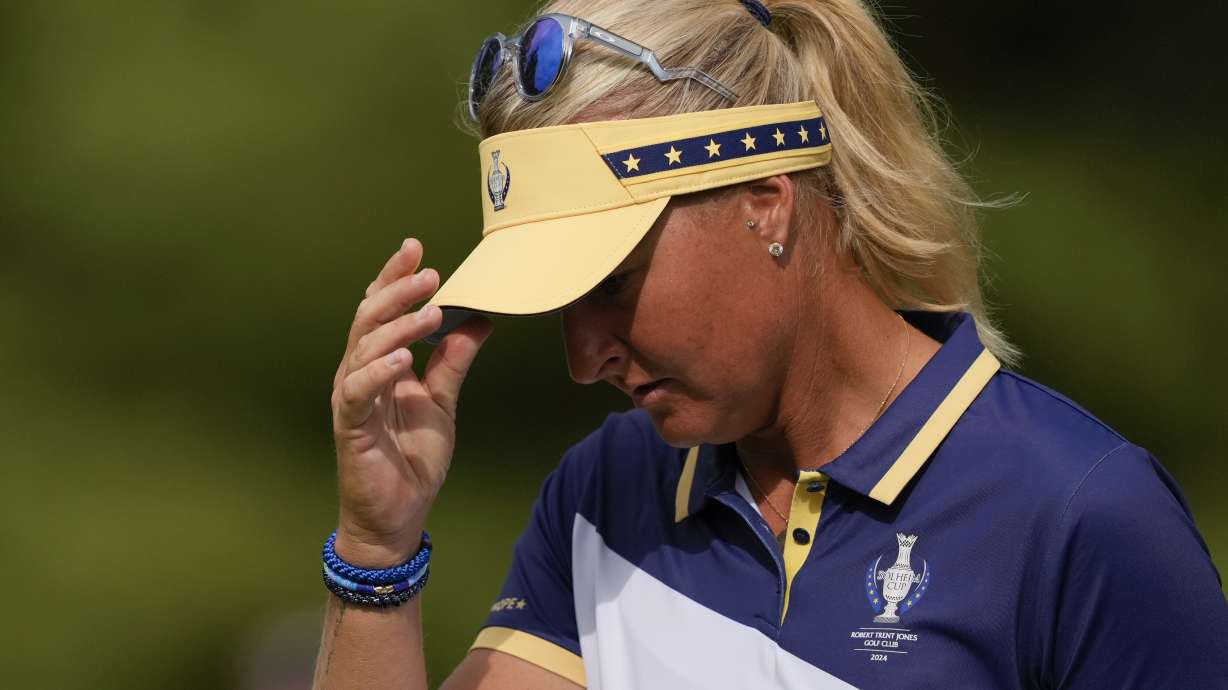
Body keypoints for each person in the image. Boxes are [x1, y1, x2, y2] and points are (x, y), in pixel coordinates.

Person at [311, 0, 1228, 688]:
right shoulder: (608, 489)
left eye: (611, 285)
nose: (584, 357)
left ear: (766, 206)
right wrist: (376, 549)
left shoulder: (1082, 517)